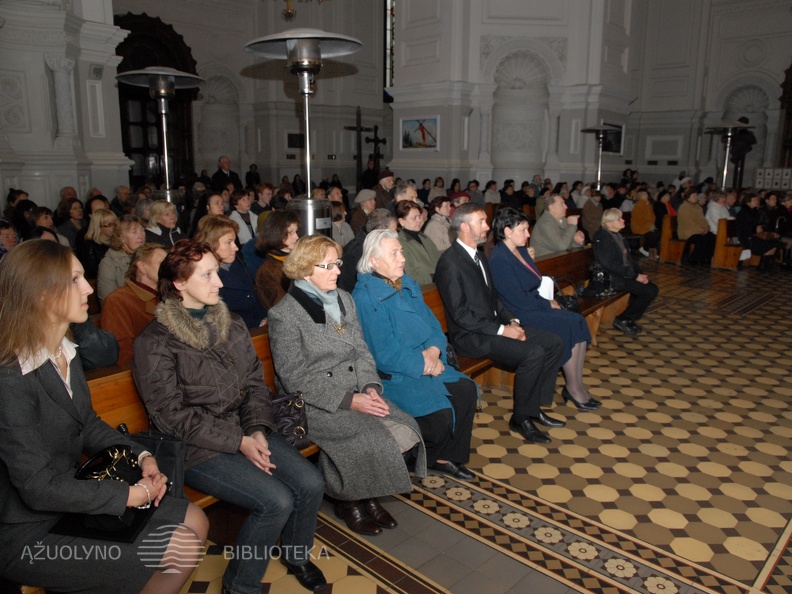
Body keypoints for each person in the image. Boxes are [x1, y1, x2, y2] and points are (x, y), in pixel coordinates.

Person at [0, 240, 207, 594]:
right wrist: (128, 495)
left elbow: (88, 422)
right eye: (75, 280)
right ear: (41, 295)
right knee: (180, 546)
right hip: (29, 528)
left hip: (76, 496)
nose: (89, 288)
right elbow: (37, 488)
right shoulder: (10, 376)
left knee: (196, 520)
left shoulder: (65, 350)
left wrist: (140, 455)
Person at [133, 240, 325, 594]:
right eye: (207, 275)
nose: (219, 283)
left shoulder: (232, 323)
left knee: (311, 483)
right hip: (197, 448)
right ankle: (240, 586)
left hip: (244, 430)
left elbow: (254, 384)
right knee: (275, 501)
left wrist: (256, 430)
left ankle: (296, 557)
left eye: (217, 273)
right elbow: (171, 417)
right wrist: (239, 441)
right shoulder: (156, 341)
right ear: (178, 282)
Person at [268, 234, 426, 536]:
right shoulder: (285, 314)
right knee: (364, 433)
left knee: (405, 425)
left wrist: (369, 387)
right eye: (327, 266)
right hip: (315, 402)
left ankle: (367, 494)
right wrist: (349, 400)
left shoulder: (343, 299)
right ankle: (349, 500)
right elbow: (294, 377)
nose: (338, 271)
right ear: (304, 270)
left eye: (337, 263)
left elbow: (361, 351)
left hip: (356, 389)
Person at [434, 203, 565, 444]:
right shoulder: (450, 263)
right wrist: (503, 330)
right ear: (464, 226)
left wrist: (511, 321)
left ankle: (533, 406)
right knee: (533, 353)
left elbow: (494, 298)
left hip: (491, 328)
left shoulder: (479, 255)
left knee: (553, 342)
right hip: (470, 337)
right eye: (481, 222)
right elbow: (461, 315)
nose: (487, 227)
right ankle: (521, 418)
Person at [353, 230, 477, 480]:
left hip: (425, 362)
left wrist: (433, 351)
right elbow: (384, 354)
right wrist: (425, 364)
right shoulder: (366, 297)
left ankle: (442, 457)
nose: (402, 259)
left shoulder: (405, 283)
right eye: (394, 253)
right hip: (395, 376)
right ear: (374, 261)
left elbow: (432, 326)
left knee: (466, 389)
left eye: (401, 251)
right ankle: (412, 459)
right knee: (439, 418)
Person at [489, 208, 599, 411]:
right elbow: (517, 300)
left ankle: (576, 384)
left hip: (533, 306)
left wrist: (546, 301)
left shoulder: (520, 250)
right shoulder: (499, 259)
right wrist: (546, 303)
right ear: (507, 231)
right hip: (520, 314)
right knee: (568, 325)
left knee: (577, 320)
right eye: (523, 230)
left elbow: (533, 283)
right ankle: (574, 389)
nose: (528, 234)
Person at [593, 209, 659, 336]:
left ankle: (627, 318)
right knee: (649, 291)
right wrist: (634, 276)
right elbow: (609, 264)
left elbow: (629, 259)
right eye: (619, 219)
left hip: (624, 274)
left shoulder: (619, 236)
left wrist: (640, 274)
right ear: (609, 223)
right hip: (611, 277)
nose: (623, 221)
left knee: (651, 288)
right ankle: (623, 318)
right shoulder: (602, 238)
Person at [194, 215, 266, 328]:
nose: (236, 247)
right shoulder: (202, 276)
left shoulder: (236, 261)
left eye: (234, 241)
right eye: (229, 242)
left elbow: (254, 295)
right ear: (212, 244)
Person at [101, 243, 167, 367]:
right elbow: (123, 353)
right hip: (147, 371)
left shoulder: (169, 295)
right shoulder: (118, 300)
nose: (169, 268)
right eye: (162, 263)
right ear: (142, 267)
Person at [337, 209, 397, 293]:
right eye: (393, 230)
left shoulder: (370, 243)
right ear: (380, 230)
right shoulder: (357, 252)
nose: (396, 234)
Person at [253, 210, 301, 309]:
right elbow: (282, 307)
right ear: (277, 234)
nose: (297, 237)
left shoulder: (299, 258)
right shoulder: (267, 272)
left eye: (296, 231)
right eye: (290, 233)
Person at [97, 214, 146, 304]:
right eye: (134, 232)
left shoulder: (148, 256)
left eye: (142, 230)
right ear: (121, 237)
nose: (141, 236)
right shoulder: (109, 263)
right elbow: (108, 300)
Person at [396, 200, 441, 286]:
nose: (419, 220)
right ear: (401, 221)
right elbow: (409, 276)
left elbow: (439, 260)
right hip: (422, 290)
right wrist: (433, 278)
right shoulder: (399, 243)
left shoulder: (425, 238)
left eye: (419, 216)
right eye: (414, 218)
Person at [677, 189, 716, 266]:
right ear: (688, 197)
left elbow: (703, 220)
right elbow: (687, 222)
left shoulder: (698, 207)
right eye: (694, 195)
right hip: (688, 231)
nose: (696, 197)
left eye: (696, 195)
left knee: (712, 237)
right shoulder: (684, 207)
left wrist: (706, 227)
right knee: (701, 239)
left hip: (698, 231)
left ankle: (706, 258)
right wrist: (699, 229)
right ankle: (694, 259)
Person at [78, 208, 116, 279]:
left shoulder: (117, 240)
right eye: (110, 224)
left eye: (115, 223)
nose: (114, 227)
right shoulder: (89, 245)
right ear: (98, 227)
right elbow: (93, 271)